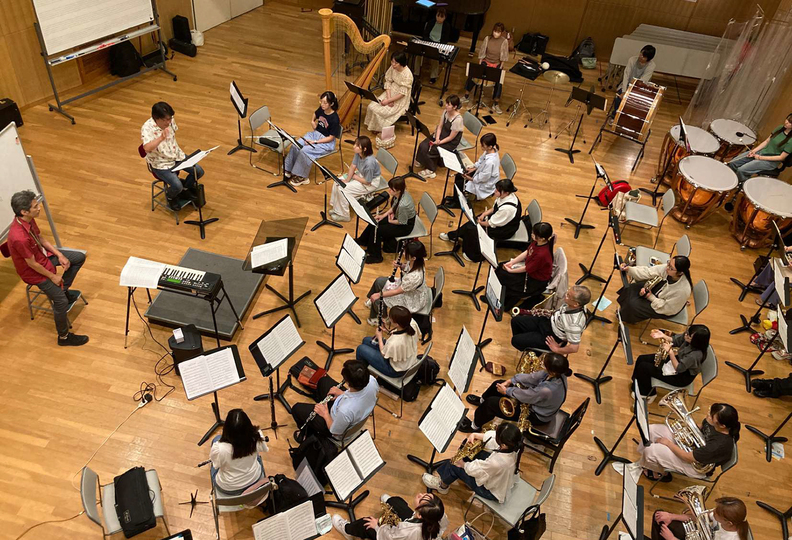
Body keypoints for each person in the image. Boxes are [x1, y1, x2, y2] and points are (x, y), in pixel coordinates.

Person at [7, 191, 88, 346]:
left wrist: (59, 255)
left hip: (42, 256)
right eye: (35, 206)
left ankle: (63, 289)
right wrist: (53, 277)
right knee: (61, 302)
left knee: (78, 258)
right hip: (34, 270)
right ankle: (63, 337)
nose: (39, 208)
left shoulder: (29, 220)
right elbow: (32, 264)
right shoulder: (19, 237)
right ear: (24, 211)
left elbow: (41, 239)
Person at [459, 353, 570, 433]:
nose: (541, 363)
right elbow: (533, 378)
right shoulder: (559, 373)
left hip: (536, 415)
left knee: (491, 404)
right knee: (497, 383)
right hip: (537, 401)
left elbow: (528, 396)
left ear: (552, 371)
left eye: (544, 364)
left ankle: (474, 426)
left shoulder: (547, 390)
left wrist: (507, 390)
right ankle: (481, 401)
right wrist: (511, 380)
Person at [632, 402, 740, 481]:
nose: (708, 417)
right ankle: (649, 462)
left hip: (696, 465)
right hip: (694, 447)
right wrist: (684, 430)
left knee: (651, 451)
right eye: (710, 412)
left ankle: (659, 473)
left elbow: (688, 457)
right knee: (652, 430)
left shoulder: (718, 446)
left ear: (722, 426)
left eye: (711, 417)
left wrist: (668, 443)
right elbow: (702, 427)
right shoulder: (714, 421)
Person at [422, 423, 523, 502]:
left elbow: (476, 471)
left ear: (504, 444)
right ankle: (450, 476)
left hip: (490, 491)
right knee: (470, 454)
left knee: (453, 464)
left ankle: (442, 486)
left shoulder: (497, 462)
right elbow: (493, 438)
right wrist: (474, 435)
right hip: (501, 477)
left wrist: (462, 464)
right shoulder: (515, 445)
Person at [290, 360, 379, 441]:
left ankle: (306, 434)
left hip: (333, 426)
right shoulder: (372, 380)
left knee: (296, 409)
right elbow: (360, 396)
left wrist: (325, 413)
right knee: (323, 381)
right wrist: (343, 393)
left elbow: (334, 431)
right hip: (349, 410)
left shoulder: (345, 410)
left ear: (348, 382)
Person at [439, 178, 521, 262]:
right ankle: (455, 235)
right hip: (497, 219)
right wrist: (483, 214)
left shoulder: (507, 208)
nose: (495, 191)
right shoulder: (504, 196)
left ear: (506, 193)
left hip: (504, 229)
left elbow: (491, 223)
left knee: (473, 228)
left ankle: (472, 255)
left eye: (497, 190)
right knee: (473, 221)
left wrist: (479, 223)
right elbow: (495, 208)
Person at [141, 101, 205, 209]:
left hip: (176, 156)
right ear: (156, 118)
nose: (168, 122)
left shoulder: (170, 121)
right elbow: (146, 148)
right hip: (160, 164)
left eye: (170, 118)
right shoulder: (147, 128)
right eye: (165, 120)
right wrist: (160, 138)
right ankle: (170, 196)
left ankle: (184, 189)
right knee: (176, 185)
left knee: (198, 171)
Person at [631, 325, 710, 400]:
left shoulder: (695, 355)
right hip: (678, 361)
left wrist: (670, 352)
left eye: (689, 335)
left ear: (696, 341)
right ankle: (636, 383)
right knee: (641, 359)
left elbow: (679, 368)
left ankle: (648, 394)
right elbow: (677, 340)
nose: (686, 335)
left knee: (644, 367)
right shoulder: (688, 338)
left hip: (681, 376)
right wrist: (663, 336)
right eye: (687, 332)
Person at [366, 241, 432, 326]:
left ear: (414, 258)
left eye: (406, 252)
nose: (403, 253)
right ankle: (374, 306)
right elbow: (407, 268)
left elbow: (396, 291)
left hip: (412, 300)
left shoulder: (414, 277)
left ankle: (384, 318)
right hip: (406, 288)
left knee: (378, 300)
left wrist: (379, 295)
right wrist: (401, 265)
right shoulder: (416, 262)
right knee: (379, 281)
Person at [333, 491, 448, 540]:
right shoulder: (438, 514)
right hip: (414, 526)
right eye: (425, 494)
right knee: (396, 502)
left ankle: (347, 530)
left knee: (366, 523)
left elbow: (388, 537)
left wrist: (377, 527)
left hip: (395, 536)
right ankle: (389, 501)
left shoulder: (408, 531)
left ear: (420, 516)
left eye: (421, 499)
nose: (419, 494)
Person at [511, 286, 591, 354]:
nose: (565, 295)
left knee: (515, 340)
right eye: (567, 292)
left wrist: (557, 349)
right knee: (515, 321)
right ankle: (528, 346)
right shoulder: (577, 304)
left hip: (552, 336)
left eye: (568, 295)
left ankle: (533, 352)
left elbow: (574, 348)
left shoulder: (574, 324)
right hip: (548, 322)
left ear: (576, 304)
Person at [286, 91, 341, 187]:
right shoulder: (322, 109)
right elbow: (315, 114)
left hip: (325, 143)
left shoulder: (335, 119)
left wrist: (315, 142)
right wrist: (312, 121)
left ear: (331, 104)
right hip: (315, 135)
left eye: (325, 103)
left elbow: (331, 138)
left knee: (305, 151)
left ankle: (302, 177)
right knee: (296, 145)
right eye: (321, 102)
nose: (322, 105)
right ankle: (289, 168)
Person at [356, 177, 417, 264]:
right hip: (398, 217)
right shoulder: (400, 194)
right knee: (375, 222)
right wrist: (382, 216)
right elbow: (394, 207)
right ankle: (363, 240)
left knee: (378, 231)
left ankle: (376, 256)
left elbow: (402, 222)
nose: (389, 190)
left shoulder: (403, 204)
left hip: (405, 226)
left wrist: (390, 221)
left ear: (398, 190)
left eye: (392, 189)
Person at [496, 222, 554, 311]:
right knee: (500, 268)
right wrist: (512, 263)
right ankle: (497, 294)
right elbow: (528, 251)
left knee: (508, 280)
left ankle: (504, 306)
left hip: (535, 280)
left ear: (542, 238)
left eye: (534, 234)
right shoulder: (537, 242)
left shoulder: (542, 254)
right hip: (530, 269)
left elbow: (527, 269)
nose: (532, 235)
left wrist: (510, 271)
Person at [617, 256, 692, 324]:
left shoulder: (682, 291)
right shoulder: (668, 268)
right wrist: (629, 269)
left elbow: (667, 308)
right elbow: (648, 272)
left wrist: (650, 297)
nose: (667, 268)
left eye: (671, 268)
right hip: (660, 291)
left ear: (680, 273)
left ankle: (626, 317)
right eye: (668, 263)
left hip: (665, 308)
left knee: (633, 304)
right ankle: (623, 310)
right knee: (631, 287)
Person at [209, 409, 268, 494]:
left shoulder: (219, 448)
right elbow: (264, 449)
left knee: (216, 439)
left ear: (227, 429)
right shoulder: (257, 436)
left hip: (229, 488)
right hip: (255, 479)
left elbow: (216, 465)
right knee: (257, 456)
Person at [356, 306, 421, 377]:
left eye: (390, 318)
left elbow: (384, 354)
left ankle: (361, 375)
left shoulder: (394, 342)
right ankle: (368, 364)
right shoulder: (412, 323)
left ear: (397, 324)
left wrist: (380, 337)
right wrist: (387, 330)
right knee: (366, 340)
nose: (389, 319)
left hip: (395, 370)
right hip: (407, 361)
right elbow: (400, 332)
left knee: (360, 349)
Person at [330, 136, 384, 222]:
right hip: (361, 175)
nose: (354, 146)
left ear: (364, 149)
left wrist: (355, 177)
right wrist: (347, 180)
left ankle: (344, 215)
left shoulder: (369, 163)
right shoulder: (358, 153)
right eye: (355, 144)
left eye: (357, 145)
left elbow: (368, 182)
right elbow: (353, 166)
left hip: (369, 183)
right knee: (338, 182)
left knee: (342, 189)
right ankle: (337, 208)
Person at [728, 113, 792, 185]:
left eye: (790, 122)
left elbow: (781, 157)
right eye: (787, 119)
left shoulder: (791, 140)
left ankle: (738, 185)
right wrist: (754, 151)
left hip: (770, 162)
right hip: (760, 152)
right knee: (733, 163)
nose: (786, 122)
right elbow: (767, 141)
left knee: (741, 170)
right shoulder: (780, 128)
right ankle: (731, 179)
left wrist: (760, 157)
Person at [460, 23, 510, 114]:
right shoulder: (487, 39)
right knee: (473, 74)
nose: (495, 33)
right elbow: (482, 53)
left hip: (496, 64)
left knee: (499, 82)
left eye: (498, 32)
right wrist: (480, 66)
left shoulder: (504, 41)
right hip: (485, 62)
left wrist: (500, 68)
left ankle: (496, 103)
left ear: (501, 33)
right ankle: (466, 96)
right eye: (494, 31)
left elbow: (504, 58)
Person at [651, 496, 750, 540]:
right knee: (660, 516)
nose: (711, 512)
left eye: (715, 513)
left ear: (729, 522)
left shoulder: (730, 538)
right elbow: (698, 518)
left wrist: (672, 538)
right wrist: (671, 516)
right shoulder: (723, 517)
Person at [445, 132, 501, 208]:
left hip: (485, 182)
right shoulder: (489, 151)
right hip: (481, 174)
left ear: (490, 146)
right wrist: (473, 168)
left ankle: (458, 203)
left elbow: (484, 177)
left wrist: (471, 179)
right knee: (459, 175)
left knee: (460, 183)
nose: (481, 147)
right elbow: (481, 161)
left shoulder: (490, 162)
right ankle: (455, 198)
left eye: (483, 145)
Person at [415, 95, 464, 179]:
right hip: (441, 134)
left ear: (454, 107)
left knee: (433, 148)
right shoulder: (445, 112)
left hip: (450, 141)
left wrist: (439, 142)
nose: (446, 105)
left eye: (448, 104)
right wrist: (437, 138)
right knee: (423, 144)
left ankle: (431, 170)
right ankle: (423, 161)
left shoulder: (458, 120)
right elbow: (440, 126)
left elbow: (451, 137)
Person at [365, 52, 414, 133]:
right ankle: (374, 126)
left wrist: (389, 101)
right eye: (392, 61)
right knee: (371, 106)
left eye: (396, 63)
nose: (393, 64)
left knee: (379, 111)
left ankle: (378, 128)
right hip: (391, 91)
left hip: (400, 97)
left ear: (401, 63)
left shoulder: (408, 75)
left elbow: (402, 94)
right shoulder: (393, 67)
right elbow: (388, 81)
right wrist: (388, 97)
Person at [609, 45, 656, 121]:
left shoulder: (651, 66)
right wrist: (624, 91)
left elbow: (643, 80)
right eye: (641, 54)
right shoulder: (632, 60)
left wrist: (630, 91)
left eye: (644, 56)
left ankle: (628, 118)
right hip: (626, 85)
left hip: (639, 88)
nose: (641, 57)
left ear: (648, 59)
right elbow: (626, 76)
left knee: (636, 103)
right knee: (618, 98)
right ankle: (614, 116)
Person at [421, 8, 453, 84]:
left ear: (445, 17)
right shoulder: (431, 22)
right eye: (438, 16)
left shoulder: (446, 26)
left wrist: (437, 45)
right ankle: (416, 73)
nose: (439, 18)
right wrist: (429, 42)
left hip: (438, 45)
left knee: (435, 57)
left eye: (441, 17)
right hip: (429, 42)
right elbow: (425, 35)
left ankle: (433, 76)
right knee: (418, 53)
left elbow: (445, 40)